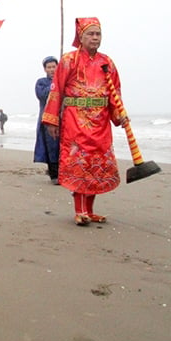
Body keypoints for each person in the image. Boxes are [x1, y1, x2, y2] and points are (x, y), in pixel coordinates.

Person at [42, 18, 128, 226]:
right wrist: (52, 120)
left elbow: (115, 91)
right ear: (81, 37)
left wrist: (119, 114)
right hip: (75, 118)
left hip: (100, 121)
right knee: (80, 161)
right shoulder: (68, 60)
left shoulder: (106, 62)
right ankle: (79, 210)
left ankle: (89, 209)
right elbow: (56, 90)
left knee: (96, 163)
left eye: (98, 34)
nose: (95, 38)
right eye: (91, 34)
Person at [35, 56, 61, 184]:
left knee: (64, 146)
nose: (52, 69)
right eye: (49, 67)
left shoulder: (63, 81)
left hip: (64, 119)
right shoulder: (41, 82)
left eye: (54, 67)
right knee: (52, 146)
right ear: (45, 69)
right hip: (48, 120)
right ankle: (54, 174)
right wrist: (54, 83)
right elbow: (42, 95)